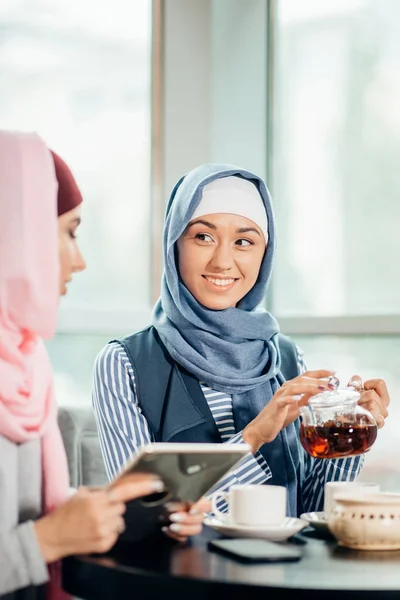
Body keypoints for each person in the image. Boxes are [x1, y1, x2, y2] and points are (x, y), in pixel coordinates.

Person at [92, 163, 390, 519]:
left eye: (244, 242)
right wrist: (252, 437)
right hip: (181, 573)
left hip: (280, 574)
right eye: (203, 237)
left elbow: (308, 513)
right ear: (174, 244)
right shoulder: (124, 364)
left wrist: (351, 434)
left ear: (264, 256)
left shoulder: (286, 358)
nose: (222, 261)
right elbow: (142, 512)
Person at [0, 130, 206, 599]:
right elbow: (37, 534)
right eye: (69, 232)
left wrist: (131, 513)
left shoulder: (26, 362)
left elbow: (22, 515)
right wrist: (49, 539)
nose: (81, 261)